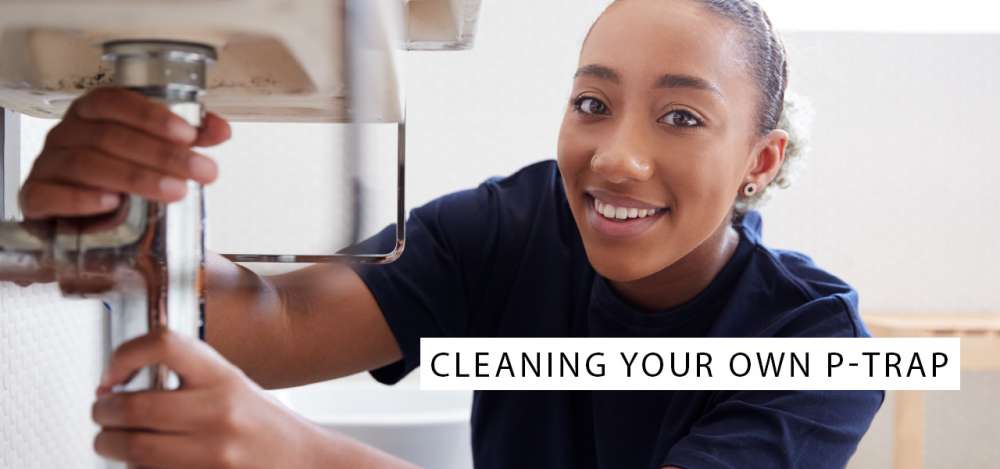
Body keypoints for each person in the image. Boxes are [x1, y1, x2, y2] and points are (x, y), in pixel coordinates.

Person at [14, 0, 883, 467]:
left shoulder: (816, 341)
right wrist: (117, 219)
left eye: (682, 117)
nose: (616, 157)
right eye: (592, 103)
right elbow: (271, 325)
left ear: (759, 162)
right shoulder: (515, 225)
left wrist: (305, 459)